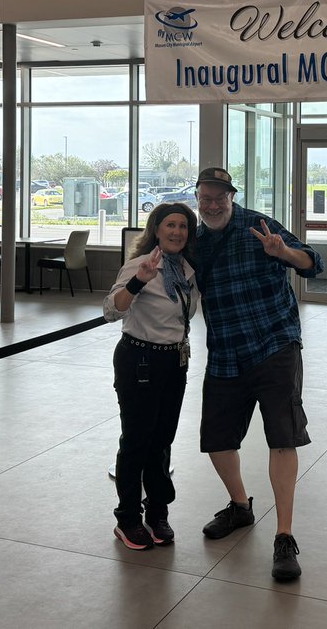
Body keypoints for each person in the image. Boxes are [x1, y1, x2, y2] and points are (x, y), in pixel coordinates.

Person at [191, 166, 323, 582]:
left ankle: (284, 535)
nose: (213, 205)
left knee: (282, 436)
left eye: (220, 197)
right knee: (216, 438)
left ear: (233, 196)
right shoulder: (194, 240)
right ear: (198, 198)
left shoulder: (260, 227)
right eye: (205, 198)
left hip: (274, 344)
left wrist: (282, 252)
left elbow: (312, 263)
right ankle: (240, 506)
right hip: (226, 350)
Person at [103, 203, 198, 551]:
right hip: (139, 360)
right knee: (137, 442)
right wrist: (139, 281)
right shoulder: (140, 265)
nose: (177, 232)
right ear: (156, 229)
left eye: (183, 226)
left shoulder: (187, 269)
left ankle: (157, 512)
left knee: (162, 442)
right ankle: (127, 518)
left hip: (175, 363)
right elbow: (111, 310)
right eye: (170, 225)